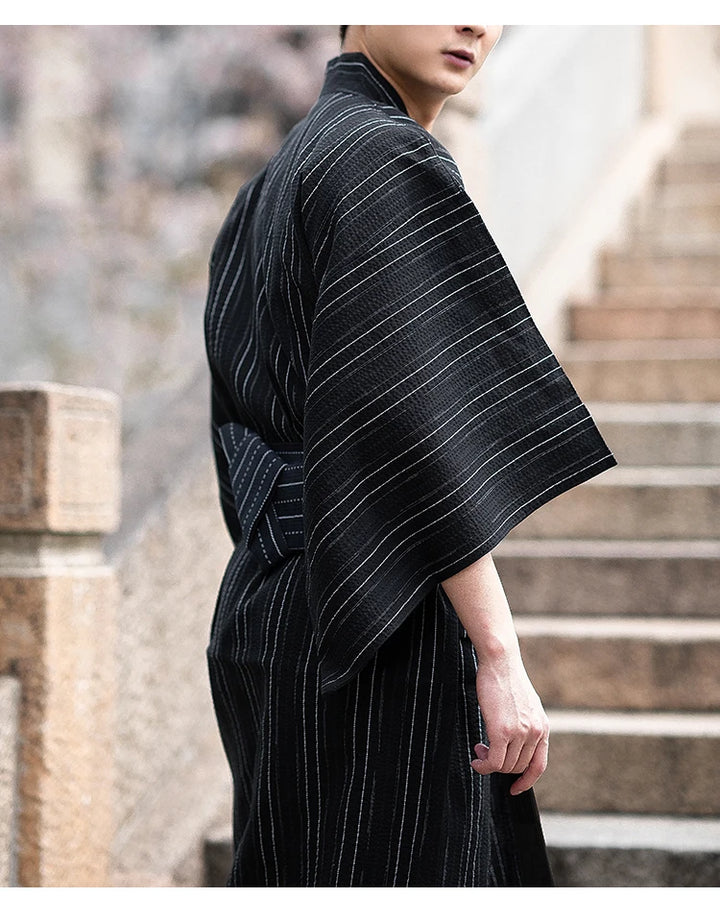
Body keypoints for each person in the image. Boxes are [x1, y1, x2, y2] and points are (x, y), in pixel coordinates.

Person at [203, 25, 616, 887]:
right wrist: (499, 657)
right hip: (376, 620)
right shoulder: (381, 157)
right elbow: (414, 423)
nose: (474, 22)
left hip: (266, 614)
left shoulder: (271, 185)